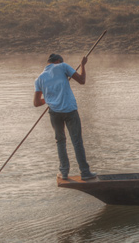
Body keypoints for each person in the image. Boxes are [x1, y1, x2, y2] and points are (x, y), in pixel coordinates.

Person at [34, 53, 97, 181]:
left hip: (54, 113)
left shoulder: (39, 78)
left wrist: (49, 99)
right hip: (70, 110)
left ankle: (64, 173)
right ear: (58, 61)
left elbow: (36, 103)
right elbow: (82, 81)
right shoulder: (63, 66)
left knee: (60, 142)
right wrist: (83, 65)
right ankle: (85, 172)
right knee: (77, 141)